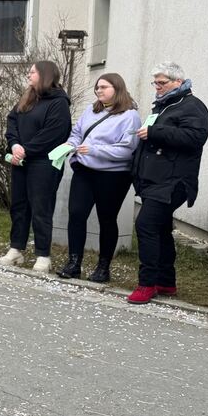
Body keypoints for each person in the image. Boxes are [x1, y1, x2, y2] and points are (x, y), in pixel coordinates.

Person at [128, 63, 208, 304]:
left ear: (177, 82)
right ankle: (166, 281)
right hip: (154, 180)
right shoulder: (165, 105)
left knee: (145, 224)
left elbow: (195, 138)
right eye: (155, 83)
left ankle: (147, 284)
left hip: (174, 181)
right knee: (160, 229)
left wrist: (154, 133)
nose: (157, 88)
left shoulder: (193, 106)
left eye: (161, 83)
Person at [57, 74, 141, 282]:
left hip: (113, 175)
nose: (99, 91)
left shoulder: (130, 116)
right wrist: (70, 145)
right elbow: (77, 133)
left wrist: (95, 150)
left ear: (117, 88)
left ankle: (103, 268)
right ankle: (74, 263)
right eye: (97, 88)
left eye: (104, 87)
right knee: (76, 214)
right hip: (85, 170)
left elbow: (127, 150)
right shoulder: (91, 110)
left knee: (107, 218)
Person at [0, 61, 72, 273]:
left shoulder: (58, 102)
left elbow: (54, 133)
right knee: (19, 206)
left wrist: (27, 149)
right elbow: (12, 120)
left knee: (41, 208)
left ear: (45, 75)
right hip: (21, 160)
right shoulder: (28, 96)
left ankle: (43, 255)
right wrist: (14, 145)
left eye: (32, 72)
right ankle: (16, 249)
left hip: (44, 163)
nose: (28, 75)